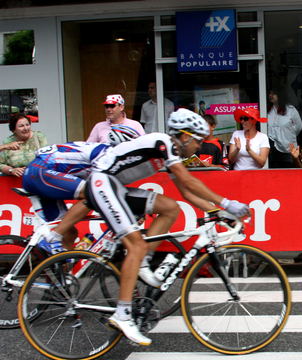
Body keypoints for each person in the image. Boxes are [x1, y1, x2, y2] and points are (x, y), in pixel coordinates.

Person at [83, 108, 249, 345]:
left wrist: (217, 211)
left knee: (171, 207)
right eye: (198, 141)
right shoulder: (163, 143)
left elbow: (186, 192)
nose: (199, 147)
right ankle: (123, 314)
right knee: (136, 245)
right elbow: (189, 180)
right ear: (184, 136)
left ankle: (141, 262)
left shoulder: (169, 152)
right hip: (102, 183)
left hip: (113, 185)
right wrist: (228, 203)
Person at [23, 125, 140, 253]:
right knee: (92, 194)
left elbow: (114, 188)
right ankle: (52, 238)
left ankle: (64, 271)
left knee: (69, 233)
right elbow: (101, 190)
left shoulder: (106, 152)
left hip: (40, 173)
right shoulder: (105, 154)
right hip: (40, 172)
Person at [0, 113, 47, 177]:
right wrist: (11, 170)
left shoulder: (39, 137)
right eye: (21, 126)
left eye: (27, 125)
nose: (26, 128)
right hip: (14, 179)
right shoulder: (8, 142)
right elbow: (1, 164)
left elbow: (47, 159)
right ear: (14, 130)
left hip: (36, 177)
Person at [266, 89, 302, 168]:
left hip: (287, 149)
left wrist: (288, 135)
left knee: (289, 175)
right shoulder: (267, 110)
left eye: (273, 93)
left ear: (280, 95)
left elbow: (299, 126)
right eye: (270, 93)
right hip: (272, 151)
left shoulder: (290, 110)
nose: (270, 95)